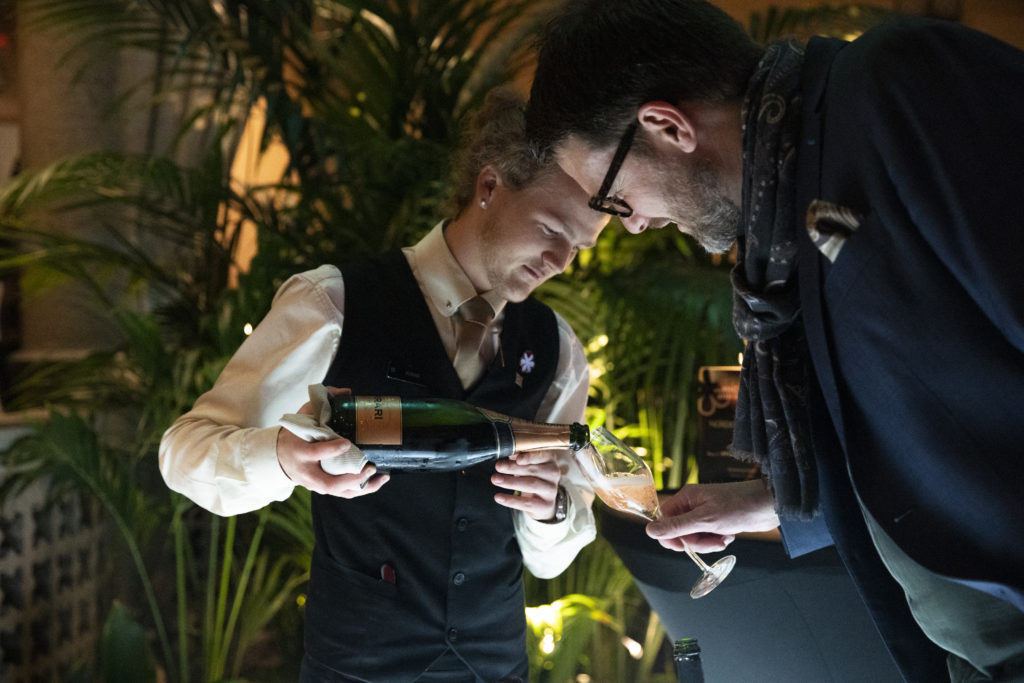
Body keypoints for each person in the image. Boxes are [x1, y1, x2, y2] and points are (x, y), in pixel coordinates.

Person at [525, 1, 1024, 681]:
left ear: (666, 126)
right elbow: (903, 420)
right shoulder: (778, 246)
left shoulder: (897, 84)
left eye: (614, 199)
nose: (633, 225)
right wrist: (766, 502)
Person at [160, 87, 607, 682]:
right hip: (359, 664)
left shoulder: (557, 349)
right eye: (551, 228)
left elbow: (551, 558)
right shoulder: (334, 304)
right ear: (490, 186)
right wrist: (282, 459)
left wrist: (552, 508)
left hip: (494, 665)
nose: (560, 260)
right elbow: (184, 451)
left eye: (580, 245)